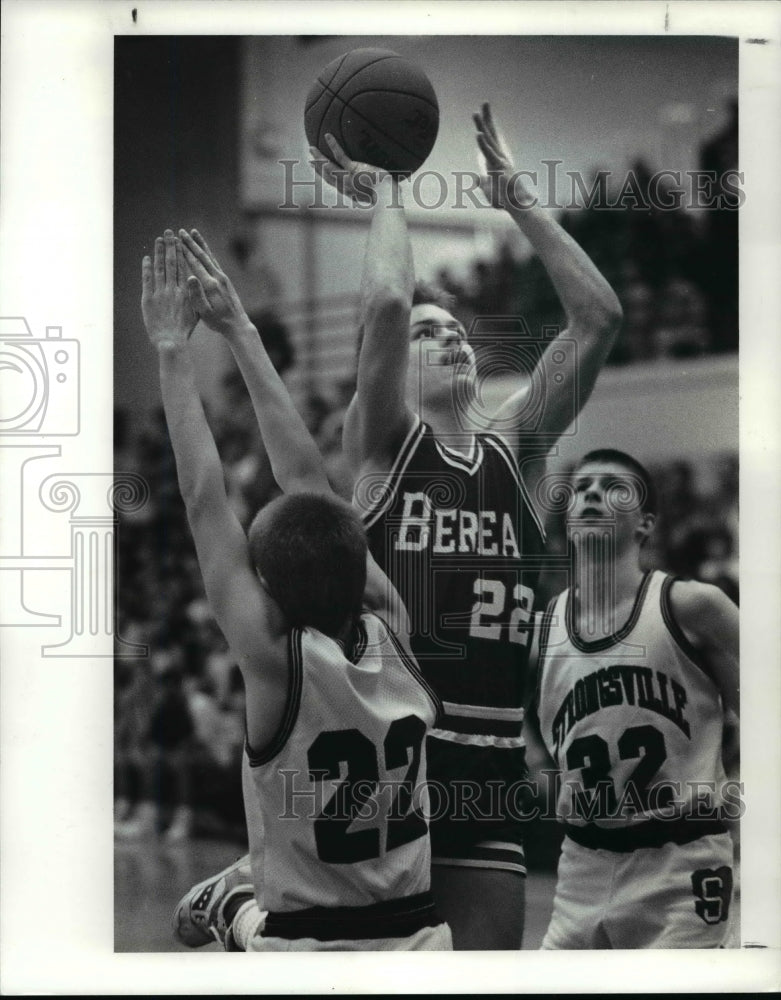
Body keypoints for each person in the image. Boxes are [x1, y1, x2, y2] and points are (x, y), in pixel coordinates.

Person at [309, 103, 623, 949]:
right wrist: (384, 192)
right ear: (393, 368)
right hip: (387, 754)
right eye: (427, 333)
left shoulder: (516, 450)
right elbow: (381, 304)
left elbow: (597, 319)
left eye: (454, 329)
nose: (447, 338)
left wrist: (520, 201)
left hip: (486, 766)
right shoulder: (380, 446)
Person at [141, 228, 451, 951]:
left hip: (305, 945)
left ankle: (237, 904)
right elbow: (310, 483)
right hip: (418, 939)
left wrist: (170, 346)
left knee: (256, 922)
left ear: (269, 589)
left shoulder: (272, 663)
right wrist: (240, 327)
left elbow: (201, 495)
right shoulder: (394, 628)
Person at [527, 449, 740, 949]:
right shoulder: (541, 629)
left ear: (645, 523)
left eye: (612, 486)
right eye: (582, 488)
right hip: (581, 865)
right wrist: (537, 765)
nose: (593, 494)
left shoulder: (691, 606)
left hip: (679, 865)